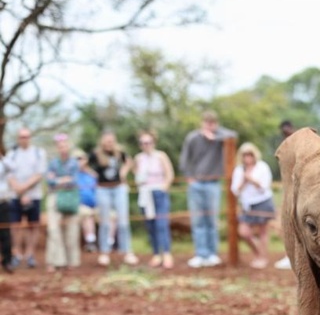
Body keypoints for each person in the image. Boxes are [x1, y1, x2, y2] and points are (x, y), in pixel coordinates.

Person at [180, 111, 236, 268]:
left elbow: (233, 135)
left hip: (213, 184)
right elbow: (184, 159)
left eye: (213, 123)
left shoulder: (221, 137)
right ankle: (200, 254)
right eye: (207, 122)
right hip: (196, 183)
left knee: (212, 220)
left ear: (216, 124)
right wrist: (189, 177)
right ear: (202, 123)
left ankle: (212, 254)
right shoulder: (192, 137)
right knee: (198, 220)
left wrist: (215, 136)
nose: (210, 125)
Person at [89, 131, 138, 267]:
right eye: (107, 141)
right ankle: (104, 252)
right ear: (102, 142)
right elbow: (84, 165)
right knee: (105, 222)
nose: (109, 144)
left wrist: (123, 172)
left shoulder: (120, 153)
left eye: (111, 141)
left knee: (123, 221)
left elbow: (129, 162)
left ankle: (127, 251)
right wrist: (94, 175)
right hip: (103, 188)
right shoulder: (96, 154)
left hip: (119, 188)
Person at [231, 142, 277, 269]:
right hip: (247, 205)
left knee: (263, 232)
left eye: (250, 155)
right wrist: (244, 181)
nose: (247, 158)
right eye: (245, 155)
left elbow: (265, 187)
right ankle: (259, 253)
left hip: (263, 202)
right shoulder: (239, 170)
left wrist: (251, 179)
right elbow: (235, 190)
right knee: (244, 232)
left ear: (254, 155)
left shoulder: (262, 167)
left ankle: (262, 258)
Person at [6, 127, 47, 269]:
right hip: (15, 195)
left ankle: (30, 254)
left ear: (30, 137)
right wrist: (19, 191)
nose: (24, 139)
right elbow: (8, 174)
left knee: (33, 225)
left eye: (27, 136)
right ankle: (16, 253)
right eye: (22, 137)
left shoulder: (38, 153)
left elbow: (39, 174)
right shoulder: (12, 154)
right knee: (15, 226)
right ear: (18, 138)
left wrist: (24, 190)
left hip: (34, 196)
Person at [134, 131, 175, 269]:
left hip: (159, 192)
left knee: (161, 224)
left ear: (153, 143)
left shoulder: (161, 156)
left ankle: (167, 254)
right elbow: (137, 176)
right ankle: (156, 254)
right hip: (145, 194)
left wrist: (164, 187)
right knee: (150, 225)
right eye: (143, 143)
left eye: (149, 142)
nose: (146, 145)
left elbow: (170, 174)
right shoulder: (138, 158)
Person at [45, 134, 81, 273]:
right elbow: (49, 180)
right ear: (57, 148)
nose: (63, 148)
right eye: (60, 146)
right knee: (53, 230)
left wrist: (58, 180)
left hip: (71, 197)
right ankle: (55, 261)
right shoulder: (53, 162)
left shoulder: (74, 162)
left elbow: (75, 180)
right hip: (55, 197)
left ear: (69, 146)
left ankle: (72, 261)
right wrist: (63, 180)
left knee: (72, 229)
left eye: (65, 145)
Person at [271, 120, 294, 271]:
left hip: (300, 188)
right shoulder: (284, 145)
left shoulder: (298, 142)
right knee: (285, 222)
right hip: (288, 188)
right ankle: (289, 255)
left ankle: (292, 257)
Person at [72, 150, 98, 252]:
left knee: (112, 215)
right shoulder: (72, 175)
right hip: (80, 205)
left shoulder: (92, 174)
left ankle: (112, 244)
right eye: (76, 159)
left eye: (81, 158)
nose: (79, 161)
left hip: (96, 205)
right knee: (87, 214)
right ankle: (90, 242)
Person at [0, 152, 14, 273]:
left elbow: (13, 167)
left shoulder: (4, 162)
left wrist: (2, 158)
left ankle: (7, 261)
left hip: (2, 201)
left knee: (5, 233)